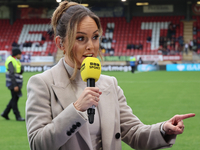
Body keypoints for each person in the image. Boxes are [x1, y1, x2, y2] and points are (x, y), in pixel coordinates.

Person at [25, 1, 195, 150]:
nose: (91, 46)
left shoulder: (109, 83)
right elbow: (38, 144)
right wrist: (76, 109)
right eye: (80, 38)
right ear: (60, 43)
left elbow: (134, 132)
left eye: (95, 37)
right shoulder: (42, 83)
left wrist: (163, 129)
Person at [1, 48, 25, 121]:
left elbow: (17, 72)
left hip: (15, 83)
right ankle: (17, 116)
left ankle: (5, 113)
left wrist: (21, 70)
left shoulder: (15, 60)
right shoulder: (11, 60)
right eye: (20, 54)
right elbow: (11, 73)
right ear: (17, 54)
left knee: (14, 98)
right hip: (13, 83)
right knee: (14, 99)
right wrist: (15, 85)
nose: (21, 55)